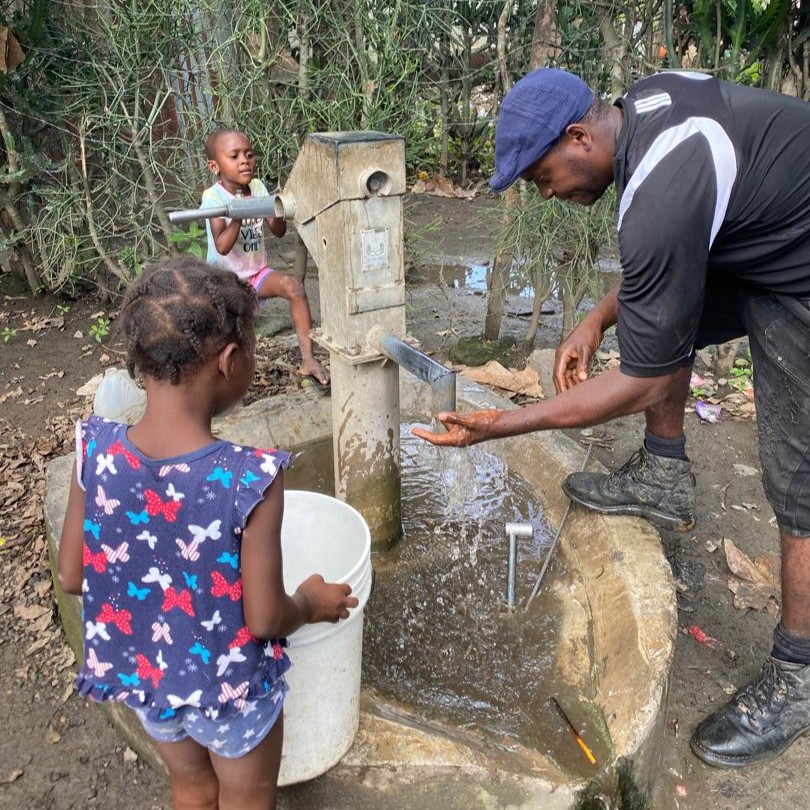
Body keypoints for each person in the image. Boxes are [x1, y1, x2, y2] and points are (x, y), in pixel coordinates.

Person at [413, 68, 810, 770]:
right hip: (767, 226)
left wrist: (504, 424)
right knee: (660, 320)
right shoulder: (643, 114)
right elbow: (668, 263)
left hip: (799, 265)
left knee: (798, 477)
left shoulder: (658, 185)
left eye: (543, 177)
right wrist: (598, 317)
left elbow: (643, 379)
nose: (550, 193)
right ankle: (663, 476)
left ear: (578, 137)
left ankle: (798, 674)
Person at [57, 257, 357, 809]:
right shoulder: (250, 478)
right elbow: (265, 618)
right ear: (230, 360)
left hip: (148, 680)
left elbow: (73, 574)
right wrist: (310, 602)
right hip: (231, 694)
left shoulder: (94, 449)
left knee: (192, 787)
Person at [202, 127, 330, 386]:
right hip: (225, 281)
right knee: (232, 337)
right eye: (234, 156)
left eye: (249, 154)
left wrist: (277, 208)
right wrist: (237, 214)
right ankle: (223, 385)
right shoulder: (213, 197)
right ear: (215, 166)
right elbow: (222, 246)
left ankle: (309, 360)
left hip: (257, 274)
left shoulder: (258, 187)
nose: (244, 161)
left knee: (294, 287)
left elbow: (279, 231)